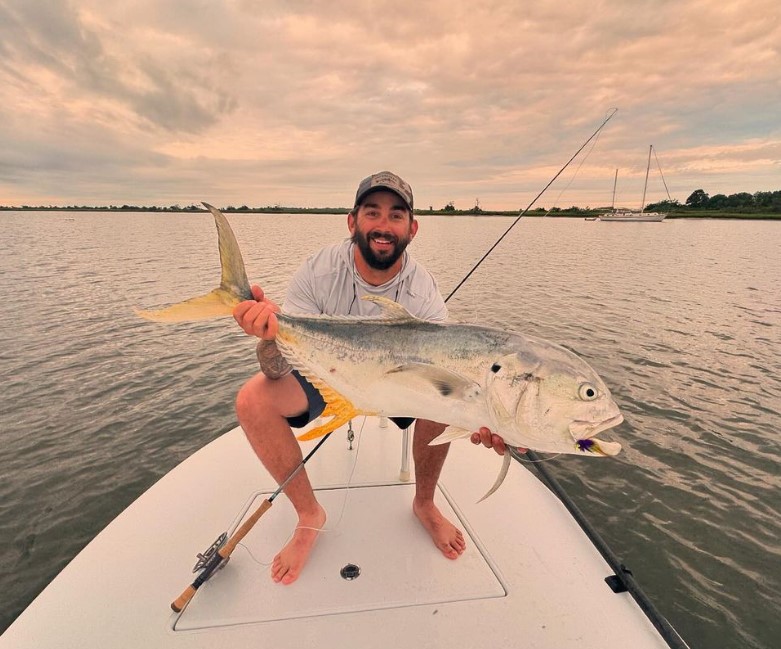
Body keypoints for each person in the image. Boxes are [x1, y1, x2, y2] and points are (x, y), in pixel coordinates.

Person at [233, 171, 506, 585]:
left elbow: (448, 378)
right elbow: (277, 368)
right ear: (352, 221)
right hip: (330, 377)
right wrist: (268, 334)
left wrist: (492, 418)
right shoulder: (319, 271)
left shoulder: (422, 290)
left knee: (442, 394)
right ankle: (309, 515)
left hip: (398, 388)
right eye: (372, 213)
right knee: (252, 399)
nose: (383, 225)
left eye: (396, 215)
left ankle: (425, 503)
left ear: (412, 228)